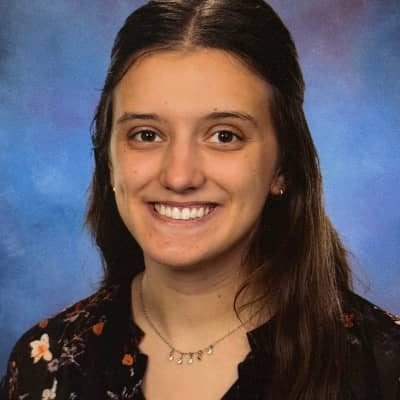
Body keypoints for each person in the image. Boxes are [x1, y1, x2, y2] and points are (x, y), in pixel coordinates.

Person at [1, 0, 399, 399]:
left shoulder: (385, 368)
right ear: (108, 160)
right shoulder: (43, 365)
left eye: (224, 135)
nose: (179, 177)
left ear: (283, 167)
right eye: (146, 135)